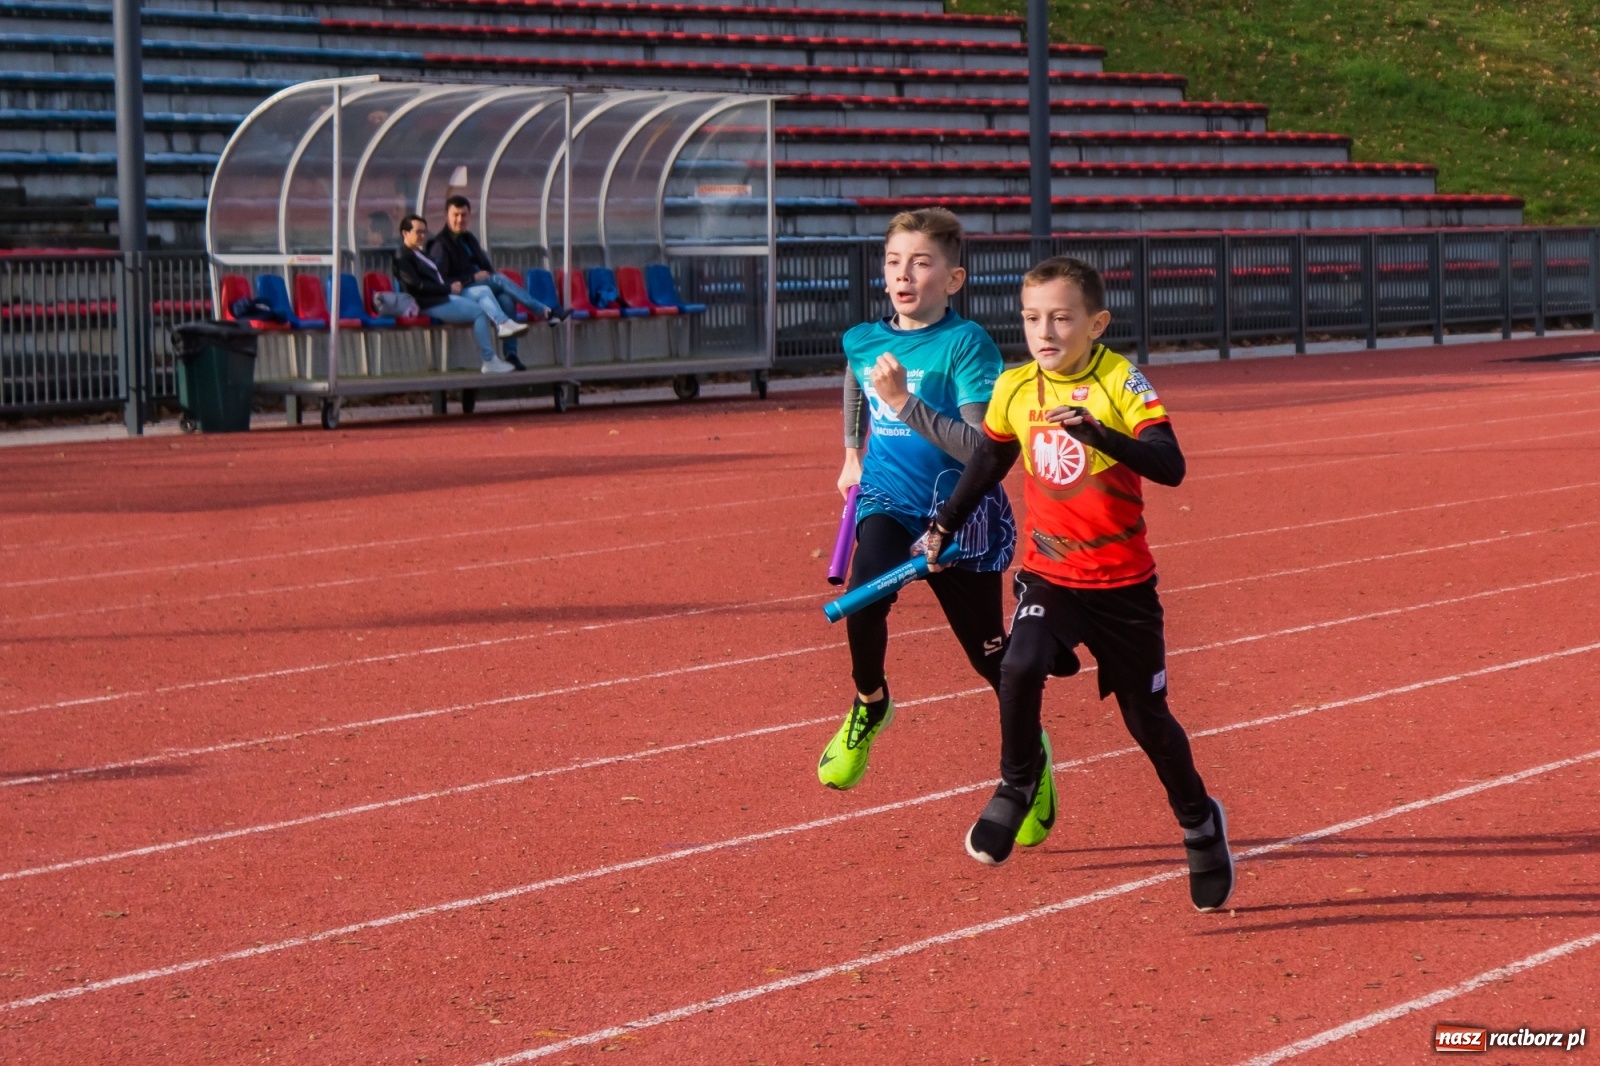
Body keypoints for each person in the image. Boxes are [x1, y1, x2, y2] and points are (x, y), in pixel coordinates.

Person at [922, 256, 1234, 912]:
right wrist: (945, 523)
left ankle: (1200, 824)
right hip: (1052, 574)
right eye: (1033, 318)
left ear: (1096, 324)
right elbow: (990, 460)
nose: (1045, 330)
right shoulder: (1014, 388)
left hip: (1123, 588)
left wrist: (1101, 433)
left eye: (1062, 318)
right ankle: (1017, 785)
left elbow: (1171, 465)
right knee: (1020, 663)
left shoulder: (1121, 381)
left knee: (1148, 723)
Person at [817, 208, 1048, 834]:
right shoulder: (864, 338)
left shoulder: (966, 344)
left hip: (957, 516)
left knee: (988, 659)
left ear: (953, 279)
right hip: (887, 502)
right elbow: (856, 378)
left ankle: (1029, 761)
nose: (903, 274)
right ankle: (872, 703)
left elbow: (981, 450)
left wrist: (903, 404)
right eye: (894, 261)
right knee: (864, 602)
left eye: (921, 262)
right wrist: (850, 453)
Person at [427, 194, 562, 372]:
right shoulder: (440, 245)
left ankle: (511, 355)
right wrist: (473, 278)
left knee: (506, 298)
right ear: (447, 215)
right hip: (458, 295)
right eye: (456, 215)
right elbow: (441, 280)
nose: (460, 219)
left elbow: (486, 267)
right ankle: (544, 311)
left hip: (480, 289)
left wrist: (486, 277)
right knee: (498, 278)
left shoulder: (469, 239)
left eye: (464, 215)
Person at [393, 213, 523, 374]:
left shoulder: (419, 253)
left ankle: (503, 323)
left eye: (424, 232)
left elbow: (436, 278)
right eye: (418, 232)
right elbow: (416, 286)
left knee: (483, 290)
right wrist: (448, 288)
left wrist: (451, 286)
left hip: (442, 295)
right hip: (428, 303)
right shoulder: (402, 256)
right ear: (405, 233)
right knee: (479, 312)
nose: (422, 236)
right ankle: (489, 360)